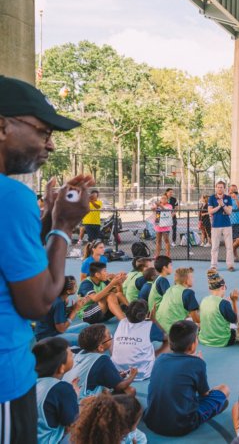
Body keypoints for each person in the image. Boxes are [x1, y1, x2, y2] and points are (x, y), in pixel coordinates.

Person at [0, 75, 94, 443]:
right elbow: (38, 302)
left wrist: (44, 224)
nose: (50, 145)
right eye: (43, 131)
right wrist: (64, 226)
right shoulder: (11, 196)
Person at [144, 320, 230, 436]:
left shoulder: (160, 359)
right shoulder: (197, 363)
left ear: (170, 342)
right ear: (193, 345)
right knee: (224, 389)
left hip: (151, 420)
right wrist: (199, 363)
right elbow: (204, 394)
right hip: (181, 425)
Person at [63, 324, 137, 399]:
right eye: (109, 336)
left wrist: (114, 375)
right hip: (81, 403)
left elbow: (91, 373)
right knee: (130, 391)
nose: (111, 338)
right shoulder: (102, 359)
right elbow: (120, 386)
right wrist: (132, 375)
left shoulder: (75, 351)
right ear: (101, 347)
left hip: (64, 397)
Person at [32, 337, 79, 444]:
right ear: (61, 368)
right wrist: (74, 398)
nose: (73, 354)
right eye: (71, 354)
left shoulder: (27, 382)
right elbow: (72, 423)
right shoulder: (61, 389)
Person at [111, 299, 168, 381]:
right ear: (145, 315)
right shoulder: (149, 326)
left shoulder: (122, 322)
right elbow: (166, 337)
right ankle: (154, 358)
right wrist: (154, 320)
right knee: (169, 343)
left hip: (118, 370)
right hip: (141, 373)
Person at [34, 276, 88, 345]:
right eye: (75, 286)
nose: (77, 287)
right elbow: (61, 329)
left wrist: (74, 307)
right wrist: (75, 310)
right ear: (68, 291)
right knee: (86, 339)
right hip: (48, 338)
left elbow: (57, 313)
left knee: (85, 325)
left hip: (52, 332)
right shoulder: (59, 302)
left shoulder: (59, 297)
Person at [198, 269, 239, 347]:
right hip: (222, 341)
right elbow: (235, 320)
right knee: (235, 330)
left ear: (210, 288)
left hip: (204, 339)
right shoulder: (224, 304)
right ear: (223, 287)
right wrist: (234, 302)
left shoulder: (204, 300)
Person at [155, 267, 200, 334]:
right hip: (171, 331)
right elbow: (196, 320)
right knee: (202, 322)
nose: (193, 279)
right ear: (186, 280)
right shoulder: (188, 293)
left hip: (157, 327)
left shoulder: (170, 289)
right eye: (191, 277)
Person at [208, 181, 235, 271]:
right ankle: (213, 265)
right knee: (215, 246)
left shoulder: (228, 198)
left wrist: (223, 204)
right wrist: (219, 206)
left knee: (229, 246)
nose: (220, 188)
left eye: (221, 187)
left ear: (224, 188)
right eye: (218, 187)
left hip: (227, 225)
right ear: (216, 188)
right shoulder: (212, 198)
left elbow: (229, 212)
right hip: (215, 225)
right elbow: (210, 211)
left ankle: (230, 265)